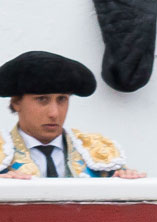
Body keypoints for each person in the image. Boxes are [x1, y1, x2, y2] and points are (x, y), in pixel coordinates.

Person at [1, 50, 145, 179]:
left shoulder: (98, 151)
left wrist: (125, 183)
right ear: (16, 102)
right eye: (42, 99)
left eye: (62, 99)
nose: (54, 113)